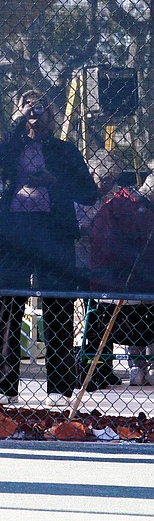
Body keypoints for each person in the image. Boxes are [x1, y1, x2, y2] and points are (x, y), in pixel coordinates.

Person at [0, 90, 98, 407]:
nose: (33, 110)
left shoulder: (64, 150)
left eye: (40, 106)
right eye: (26, 104)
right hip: (16, 231)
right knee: (10, 303)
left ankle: (59, 388)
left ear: (51, 114)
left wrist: (55, 180)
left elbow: (88, 192)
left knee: (58, 303)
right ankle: (6, 386)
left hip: (53, 231)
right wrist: (17, 122)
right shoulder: (13, 146)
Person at [85, 166, 154, 388]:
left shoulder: (114, 206)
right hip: (133, 288)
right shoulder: (139, 213)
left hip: (109, 287)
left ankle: (138, 367)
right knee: (142, 311)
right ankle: (143, 366)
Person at [76, 149, 125, 390]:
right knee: (90, 317)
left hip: (107, 264)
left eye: (111, 180)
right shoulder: (80, 196)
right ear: (92, 174)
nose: (107, 184)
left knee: (105, 315)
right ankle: (89, 368)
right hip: (83, 261)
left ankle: (105, 367)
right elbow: (77, 226)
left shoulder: (116, 198)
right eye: (103, 179)